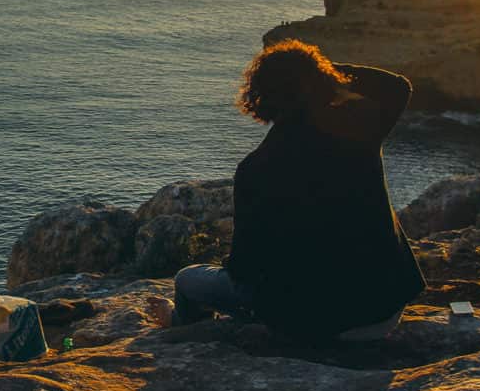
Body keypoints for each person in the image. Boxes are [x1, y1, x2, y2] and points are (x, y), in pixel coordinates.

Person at [168, 40, 424, 340]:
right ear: (322, 82)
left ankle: (178, 326)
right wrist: (319, 72)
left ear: (261, 96)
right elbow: (396, 86)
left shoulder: (256, 170)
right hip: (382, 312)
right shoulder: (360, 126)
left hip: (313, 326)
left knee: (188, 279)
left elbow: (244, 271)